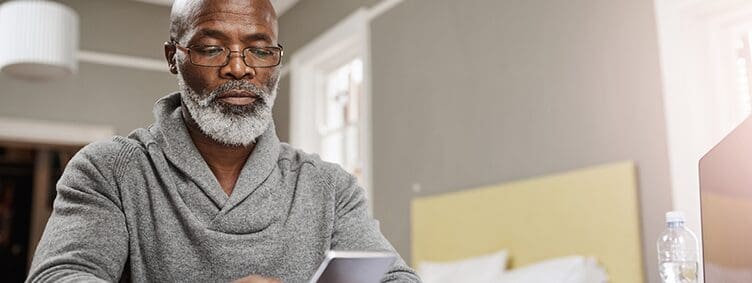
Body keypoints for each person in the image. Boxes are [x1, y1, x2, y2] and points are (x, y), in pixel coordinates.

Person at [26, 0, 420, 282]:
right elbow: (61, 275)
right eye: (212, 48)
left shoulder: (330, 187)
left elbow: (395, 278)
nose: (238, 68)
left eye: (260, 50)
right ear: (173, 57)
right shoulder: (108, 170)